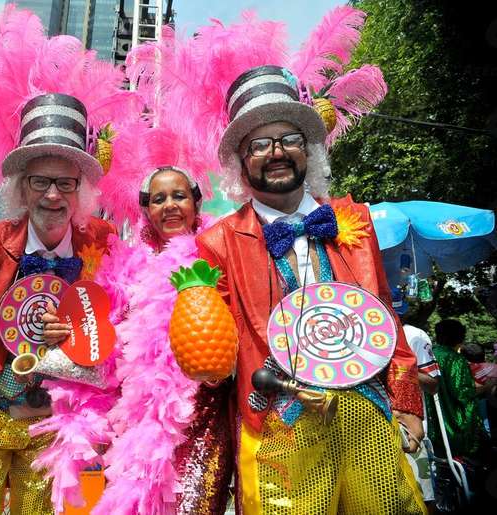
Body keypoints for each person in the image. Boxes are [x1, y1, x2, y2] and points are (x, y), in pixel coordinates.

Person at [154, 8, 429, 512]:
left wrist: (407, 402)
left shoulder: (356, 221)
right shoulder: (215, 242)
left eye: (289, 139)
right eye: (260, 144)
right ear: (242, 160)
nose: (276, 152)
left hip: (366, 414)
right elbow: (211, 351)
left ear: (309, 150)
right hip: (278, 425)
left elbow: (385, 315)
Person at [0, 7, 137, 513]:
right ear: (20, 187)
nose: (51, 195)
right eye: (39, 181)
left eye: (64, 182)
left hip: (59, 418)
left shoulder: (102, 242)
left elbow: (122, 318)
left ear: (81, 188)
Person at [33, 126, 233, 513]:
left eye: (179, 196)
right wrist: (65, 331)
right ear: (146, 210)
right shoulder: (125, 266)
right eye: (158, 199)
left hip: (199, 414)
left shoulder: (218, 253)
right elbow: (100, 336)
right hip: (132, 417)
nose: (170, 206)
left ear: (196, 202)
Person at [393, 289, 439, 509]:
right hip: (376, 428)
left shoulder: (413, 335)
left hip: (410, 430)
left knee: (420, 498)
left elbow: (433, 384)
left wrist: (402, 368)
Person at [426, 320, 486, 459]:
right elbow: (463, 394)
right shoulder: (455, 359)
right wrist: (487, 387)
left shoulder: (430, 354)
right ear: (460, 337)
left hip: (433, 427)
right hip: (455, 427)